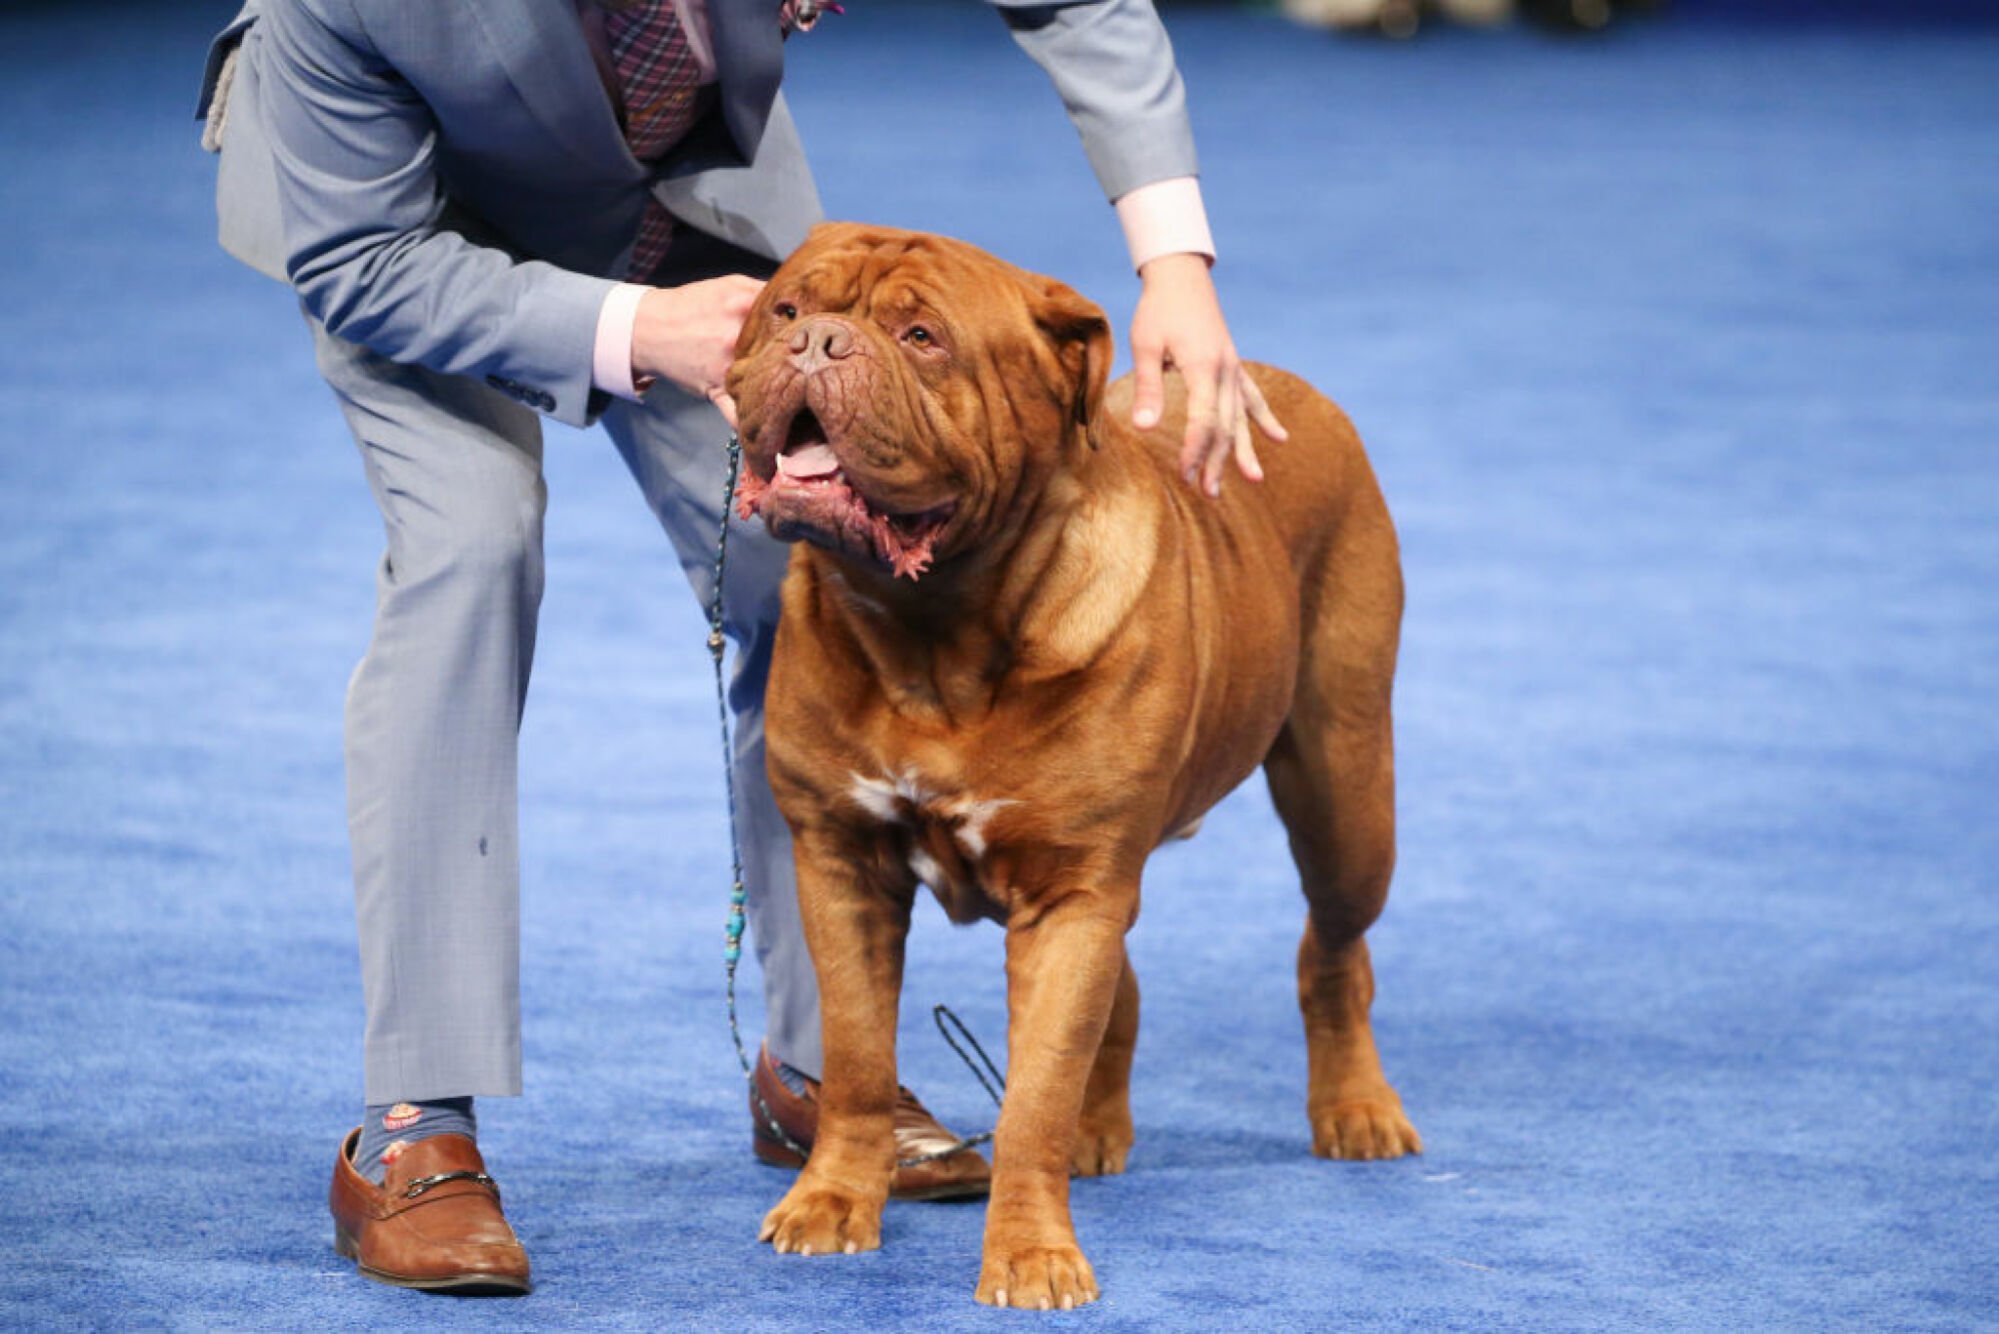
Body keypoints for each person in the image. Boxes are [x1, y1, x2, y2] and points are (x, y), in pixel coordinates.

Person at [197, 0, 1284, 1294]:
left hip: (680, 198)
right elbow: (365, 264)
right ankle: (414, 1127)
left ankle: (827, 1072)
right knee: (472, 549)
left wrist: (1174, 264)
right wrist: (635, 330)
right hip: (401, 218)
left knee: (808, 545)